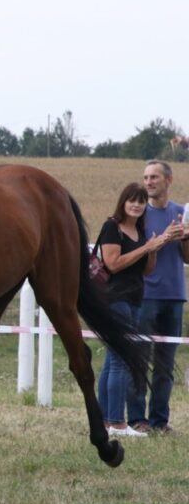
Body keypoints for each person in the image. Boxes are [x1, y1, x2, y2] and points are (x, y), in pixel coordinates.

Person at [96, 183, 167, 437]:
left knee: (111, 361)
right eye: (132, 200)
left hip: (135, 299)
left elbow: (146, 271)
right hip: (115, 299)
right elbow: (113, 264)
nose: (136, 205)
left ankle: (105, 421)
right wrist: (145, 248)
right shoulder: (111, 227)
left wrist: (154, 249)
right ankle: (117, 422)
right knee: (121, 361)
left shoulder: (140, 230)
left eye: (141, 201)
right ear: (123, 202)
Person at [127, 160, 189, 435]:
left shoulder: (181, 213)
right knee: (139, 360)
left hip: (175, 296)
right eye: (145, 177)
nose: (148, 181)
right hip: (145, 296)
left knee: (165, 365)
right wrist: (164, 237)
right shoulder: (139, 214)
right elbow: (137, 252)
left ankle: (160, 421)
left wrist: (185, 238)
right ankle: (137, 419)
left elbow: (187, 258)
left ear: (168, 180)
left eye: (154, 177)